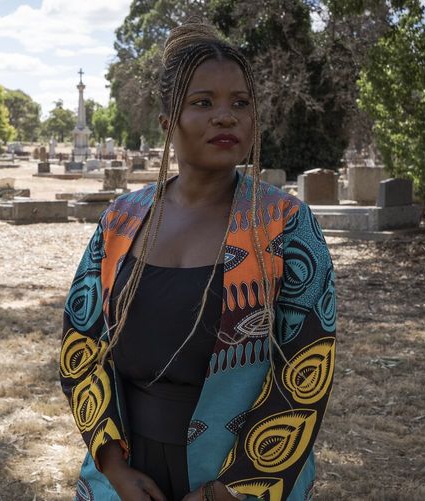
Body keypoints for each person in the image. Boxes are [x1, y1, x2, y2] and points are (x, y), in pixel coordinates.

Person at [60, 21, 336, 501]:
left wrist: (230, 489)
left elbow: (306, 369)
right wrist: (113, 466)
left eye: (240, 104)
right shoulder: (120, 222)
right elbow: (80, 344)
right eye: (203, 103)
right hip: (125, 472)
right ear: (169, 122)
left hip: (238, 472)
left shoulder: (283, 223)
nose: (225, 117)